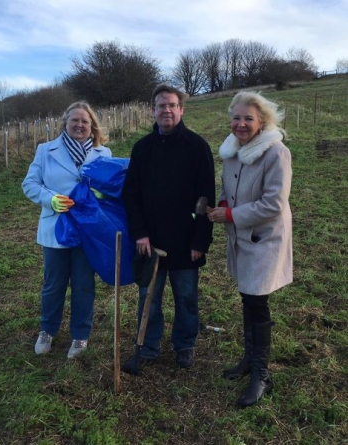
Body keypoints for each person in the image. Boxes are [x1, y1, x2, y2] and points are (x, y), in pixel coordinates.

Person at [122, 84, 216, 369]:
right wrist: (140, 233)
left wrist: (201, 241)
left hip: (186, 241)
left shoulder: (198, 148)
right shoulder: (142, 149)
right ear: (153, 110)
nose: (167, 110)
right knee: (148, 297)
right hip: (150, 241)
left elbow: (205, 199)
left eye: (172, 105)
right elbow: (132, 194)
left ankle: (184, 345)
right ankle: (147, 347)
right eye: (161, 105)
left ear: (181, 109)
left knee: (186, 296)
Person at [208, 91, 292, 408]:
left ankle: (261, 375)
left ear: (261, 122)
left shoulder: (276, 153)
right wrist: (221, 204)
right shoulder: (231, 153)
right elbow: (226, 188)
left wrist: (230, 215)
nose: (241, 124)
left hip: (264, 239)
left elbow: (273, 203)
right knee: (247, 296)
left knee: (257, 301)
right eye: (236, 118)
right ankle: (248, 359)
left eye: (248, 118)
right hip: (240, 236)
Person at [22, 101, 112, 359]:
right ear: (66, 123)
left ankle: (80, 336)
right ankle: (47, 330)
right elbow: (29, 184)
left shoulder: (103, 154)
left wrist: (99, 195)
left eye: (85, 121)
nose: (80, 125)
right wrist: (50, 198)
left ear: (92, 125)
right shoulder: (45, 150)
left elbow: (110, 190)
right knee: (53, 284)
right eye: (75, 120)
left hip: (87, 230)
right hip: (55, 228)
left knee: (84, 285)